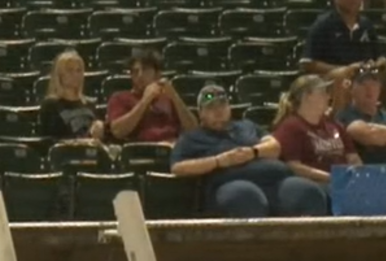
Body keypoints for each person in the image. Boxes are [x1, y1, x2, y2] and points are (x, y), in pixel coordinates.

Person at [169, 86, 328, 218]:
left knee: (309, 192)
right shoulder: (193, 137)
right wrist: (218, 161)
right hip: (231, 183)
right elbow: (178, 167)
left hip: (276, 180)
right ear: (201, 113)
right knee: (247, 198)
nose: (218, 111)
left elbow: (275, 146)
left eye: (222, 106)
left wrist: (253, 152)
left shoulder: (246, 126)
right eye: (211, 107)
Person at [272, 74, 362, 188]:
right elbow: (294, 166)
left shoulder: (334, 124)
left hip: (346, 183)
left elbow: (353, 157)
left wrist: (359, 175)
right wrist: (332, 178)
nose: (328, 97)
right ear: (307, 96)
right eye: (322, 92)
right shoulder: (291, 127)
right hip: (317, 186)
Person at [105, 48, 195, 144]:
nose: (140, 75)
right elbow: (118, 131)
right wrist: (145, 101)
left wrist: (175, 96)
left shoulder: (169, 98)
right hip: (140, 151)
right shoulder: (120, 98)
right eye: (135, 71)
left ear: (157, 74)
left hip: (172, 148)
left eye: (145, 70)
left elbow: (193, 129)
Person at [336, 64, 386, 164]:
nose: (370, 89)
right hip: (366, 175)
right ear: (351, 89)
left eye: (374, 84)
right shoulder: (345, 115)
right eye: (363, 84)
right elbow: (367, 134)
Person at [39, 50, 103, 141]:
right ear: (60, 74)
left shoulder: (89, 104)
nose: (76, 75)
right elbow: (50, 138)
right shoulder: (50, 105)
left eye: (79, 70)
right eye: (70, 70)